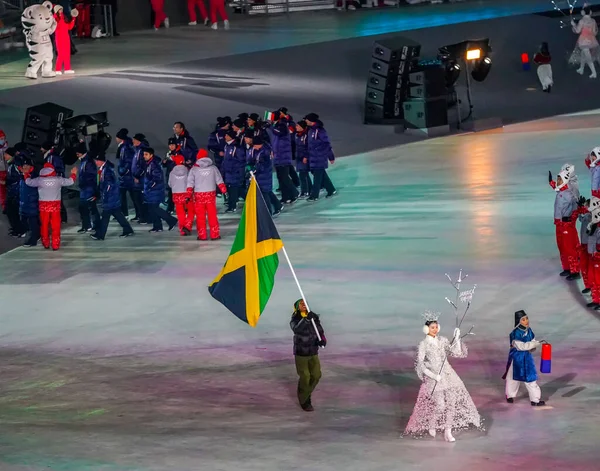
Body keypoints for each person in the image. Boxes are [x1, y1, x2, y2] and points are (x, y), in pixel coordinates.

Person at [404, 313, 481, 441]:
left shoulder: (442, 340)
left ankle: (448, 431)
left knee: (452, 403)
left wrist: (456, 338)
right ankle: (432, 423)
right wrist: (433, 376)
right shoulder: (424, 344)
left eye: (436, 327)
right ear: (426, 329)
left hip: (448, 374)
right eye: (432, 327)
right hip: (434, 377)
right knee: (440, 405)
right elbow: (421, 364)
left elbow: (455, 352)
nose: (434, 329)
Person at [25, 163, 76, 250]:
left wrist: (26, 173)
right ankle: (55, 244)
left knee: (44, 225)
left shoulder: (39, 180)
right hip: (55, 206)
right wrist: (74, 174)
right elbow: (71, 181)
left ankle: (46, 243)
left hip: (43, 206)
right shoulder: (58, 179)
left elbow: (28, 182)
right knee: (55, 226)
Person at [502, 310, 546, 406]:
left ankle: (535, 399)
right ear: (519, 321)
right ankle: (509, 395)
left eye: (526, 318)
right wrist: (535, 344)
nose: (526, 321)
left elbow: (531, 341)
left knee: (531, 379)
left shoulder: (529, 330)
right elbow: (521, 346)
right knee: (512, 378)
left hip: (527, 358)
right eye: (523, 319)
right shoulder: (515, 333)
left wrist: (533, 346)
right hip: (516, 359)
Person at [290, 299, 326, 412]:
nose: (304, 305)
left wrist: (323, 340)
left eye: (305, 303)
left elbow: (320, 331)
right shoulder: (295, 319)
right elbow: (296, 329)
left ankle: (306, 393)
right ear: (297, 307)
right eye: (301, 304)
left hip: (313, 352)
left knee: (316, 375)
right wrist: (306, 320)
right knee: (305, 377)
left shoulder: (313, 317)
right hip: (301, 354)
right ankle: (304, 400)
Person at [91, 153, 134, 240]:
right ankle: (128, 229)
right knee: (118, 214)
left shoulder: (107, 170)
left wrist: (104, 195)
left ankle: (100, 234)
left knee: (105, 216)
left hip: (110, 197)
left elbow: (109, 185)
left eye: (96, 161)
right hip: (111, 196)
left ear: (100, 161)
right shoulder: (104, 169)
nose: (95, 163)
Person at [186, 149, 227, 240]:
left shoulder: (194, 169)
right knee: (212, 215)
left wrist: (188, 195)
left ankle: (202, 235)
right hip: (210, 195)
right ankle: (215, 235)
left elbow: (190, 183)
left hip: (199, 195)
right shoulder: (213, 168)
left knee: (200, 216)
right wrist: (224, 191)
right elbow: (219, 180)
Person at [549, 167, 580, 279]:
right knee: (561, 247)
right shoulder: (561, 190)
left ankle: (575, 271)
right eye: (558, 179)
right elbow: (556, 187)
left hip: (566, 225)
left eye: (560, 180)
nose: (558, 182)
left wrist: (571, 218)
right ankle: (566, 268)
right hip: (559, 224)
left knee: (569, 248)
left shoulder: (569, 193)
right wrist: (551, 182)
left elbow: (576, 207)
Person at [143, 147, 178, 233]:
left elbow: (157, 178)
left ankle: (171, 220)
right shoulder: (149, 163)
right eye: (144, 154)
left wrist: (150, 187)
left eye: (146, 154)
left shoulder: (153, 164)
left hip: (155, 191)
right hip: (151, 191)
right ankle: (157, 226)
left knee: (155, 208)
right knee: (152, 208)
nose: (144, 156)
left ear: (151, 155)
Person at [304, 113, 337, 201]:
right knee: (322, 175)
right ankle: (331, 189)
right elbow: (309, 145)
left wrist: (331, 157)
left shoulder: (320, 131)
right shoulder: (310, 130)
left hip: (320, 157)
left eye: (306, 119)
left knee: (317, 178)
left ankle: (314, 196)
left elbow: (327, 144)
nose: (305, 121)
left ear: (311, 120)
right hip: (313, 157)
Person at [268, 109, 298, 204]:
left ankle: (294, 193)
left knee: (284, 177)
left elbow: (278, 132)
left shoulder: (282, 125)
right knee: (280, 178)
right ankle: (285, 197)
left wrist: (271, 127)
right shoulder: (277, 125)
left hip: (284, 156)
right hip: (278, 155)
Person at [249, 136, 282, 216]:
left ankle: (268, 213)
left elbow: (264, 165)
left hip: (264, 175)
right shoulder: (260, 150)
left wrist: (255, 170)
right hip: (262, 175)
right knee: (267, 191)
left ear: (259, 144)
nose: (254, 147)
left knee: (265, 193)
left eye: (255, 145)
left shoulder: (265, 152)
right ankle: (278, 205)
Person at [76, 142, 101, 233]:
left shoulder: (88, 162)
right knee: (85, 208)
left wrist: (93, 189)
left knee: (90, 207)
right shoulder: (84, 161)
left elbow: (91, 176)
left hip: (88, 189)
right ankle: (88, 226)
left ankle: (93, 225)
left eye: (78, 152)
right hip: (85, 189)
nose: (76, 154)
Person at [570, 5, 599, 78]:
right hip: (592, 40)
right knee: (583, 55)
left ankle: (594, 73)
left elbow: (577, 31)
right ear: (590, 12)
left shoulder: (582, 21)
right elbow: (594, 32)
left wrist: (573, 25)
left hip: (583, 41)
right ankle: (581, 69)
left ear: (583, 12)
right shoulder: (593, 21)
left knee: (588, 58)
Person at [167, 153, 193, 236]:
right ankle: (187, 226)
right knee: (191, 211)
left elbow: (169, 184)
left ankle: (182, 230)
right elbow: (191, 182)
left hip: (176, 194)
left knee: (180, 213)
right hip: (186, 194)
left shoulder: (172, 172)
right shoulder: (188, 171)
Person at [222, 130, 246, 213]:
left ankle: (232, 206)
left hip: (235, 173)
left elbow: (242, 161)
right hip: (229, 173)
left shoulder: (237, 148)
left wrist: (236, 171)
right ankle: (248, 200)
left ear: (231, 137)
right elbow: (225, 160)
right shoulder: (226, 147)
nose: (225, 137)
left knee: (234, 189)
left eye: (227, 135)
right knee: (236, 189)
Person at [4, 147, 26, 237]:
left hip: (16, 192)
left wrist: (5, 182)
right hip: (13, 191)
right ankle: (16, 229)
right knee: (11, 212)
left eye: (6, 154)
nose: (4, 156)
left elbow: (17, 178)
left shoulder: (15, 165)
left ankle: (20, 230)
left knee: (13, 212)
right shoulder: (11, 164)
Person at [19, 157, 40, 247]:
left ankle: (33, 240)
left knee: (32, 222)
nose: (25, 167)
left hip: (32, 203)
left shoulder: (34, 176)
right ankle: (36, 235)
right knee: (25, 221)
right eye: (23, 165)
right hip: (24, 203)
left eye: (27, 165)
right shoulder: (23, 175)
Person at [116, 128, 135, 218]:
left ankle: (125, 213)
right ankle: (126, 213)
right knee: (129, 195)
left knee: (124, 194)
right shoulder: (124, 146)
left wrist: (123, 171)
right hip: (126, 176)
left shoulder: (125, 148)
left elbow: (128, 162)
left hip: (126, 176)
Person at [53, 5, 77, 75]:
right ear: (56, 11)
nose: (61, 11)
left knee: (67, 54)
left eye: (61, 9)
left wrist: (73, 19)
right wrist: (59, 19)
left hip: (66, 38)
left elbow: (69, 27)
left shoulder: (64, 18)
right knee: (61, 54)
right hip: (59, 38)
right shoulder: (54, 19)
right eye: (60, 10)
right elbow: (56, 27)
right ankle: (57, 69)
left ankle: (67, 69)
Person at [131, 133, 149, 223]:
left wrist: (138, 176)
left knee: (141, 199)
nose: (132, 141)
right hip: (137, 179)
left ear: (138, 141)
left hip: (141, 180)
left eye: (134, 139)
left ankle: (144, 217)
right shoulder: (137, 150)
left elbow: (143, 165)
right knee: (137, 198)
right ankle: (140, 216)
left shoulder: (142, 151)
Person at [586, 206, 600, 308]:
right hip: (592, 255)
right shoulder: (593, 226)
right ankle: (595, 299)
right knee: (594, 279)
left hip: (597, 256)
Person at [295, 120, 312, 199]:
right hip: (299, 158)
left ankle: (306, 191)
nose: (296, 127)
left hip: (303, 158)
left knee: (303, 175)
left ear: (302, 127)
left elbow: (308, 147)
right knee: (303, 175)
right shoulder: (297, 135)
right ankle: (307, 190)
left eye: (298, 126)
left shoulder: (306, 136)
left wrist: (306, 156)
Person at [0, 129, 7, 212]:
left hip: (6, 171)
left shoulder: (6, 147)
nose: (3, 140)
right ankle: (4, 206)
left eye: (4, 138)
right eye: (1, 138)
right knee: (1, 191)